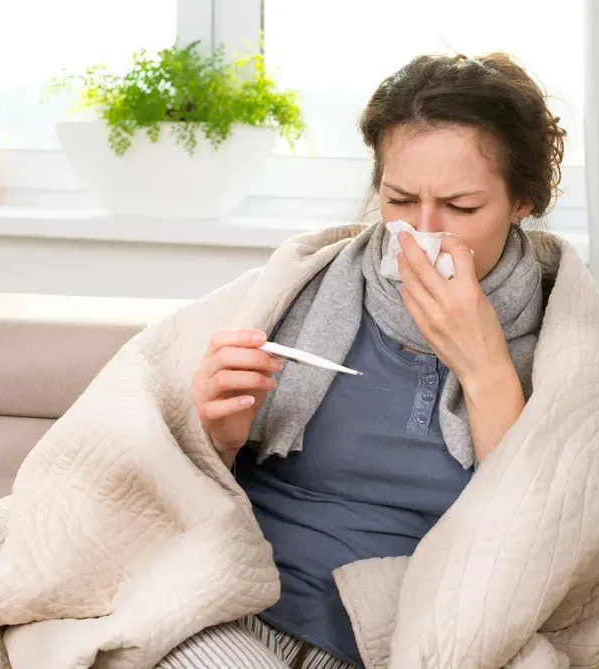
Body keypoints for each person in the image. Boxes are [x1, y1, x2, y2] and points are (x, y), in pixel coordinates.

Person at [159, 51, 566, 669]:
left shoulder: (561, 340)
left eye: (460, 208)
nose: (422, 232)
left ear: (522, 203)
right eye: (399, 200)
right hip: (225, 611)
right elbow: (156, 477)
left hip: (401, 638)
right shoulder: (301, 290)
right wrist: (217, 433)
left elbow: (535, 540)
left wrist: (484, 368)